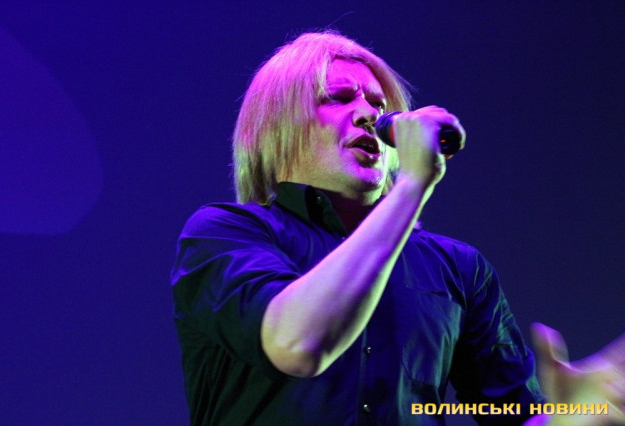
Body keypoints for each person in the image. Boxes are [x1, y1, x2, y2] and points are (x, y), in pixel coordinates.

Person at [170, 31, 624, 425]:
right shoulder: (224, 234)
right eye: (339, 98)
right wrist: (412, 186)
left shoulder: (458, 268)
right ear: (278, 127)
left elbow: (512, 416)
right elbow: (297, 344)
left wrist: (572, 417)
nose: (369, 115)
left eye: (379, 105)